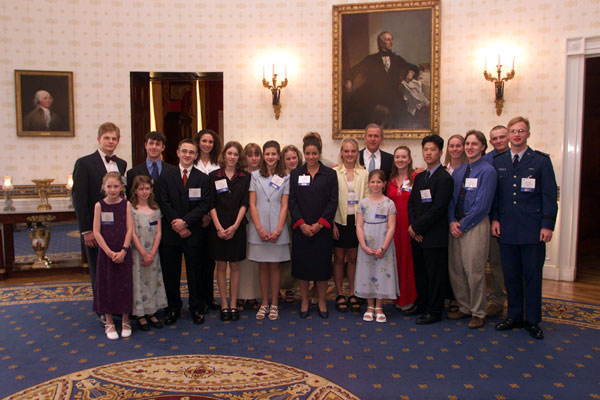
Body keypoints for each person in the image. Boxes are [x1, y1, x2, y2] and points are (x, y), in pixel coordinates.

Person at [491, 116, 558, 340]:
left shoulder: (540, 161)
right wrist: (495, 219)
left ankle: (532, 320)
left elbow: (549, 196)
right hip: (507, 229)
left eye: (521, 131)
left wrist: (547, 224)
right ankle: (514, 316)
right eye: (513, 131)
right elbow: (496, 196)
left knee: (532, 277)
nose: (516, 135)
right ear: (508, 135)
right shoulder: (499, 161)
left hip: (533, 230)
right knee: (511, 276)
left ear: (528, 134)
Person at [72, 122, 127, 316]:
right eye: (107, 138)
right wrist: (86, 230)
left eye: (114, 139)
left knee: (116, 267)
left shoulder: (121, 164)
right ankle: (103, 312)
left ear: (118, 141)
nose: (111, 142)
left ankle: (118, 307)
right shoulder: (84, 163)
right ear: (99, 139)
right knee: (99, 271)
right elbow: (79, 198)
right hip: (95, 227)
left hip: (117, 227)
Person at [447, 130, 497, 329]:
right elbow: (451, 201)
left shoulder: (487, 171)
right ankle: (464, 306)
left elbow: (483, 205)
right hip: (455, 225)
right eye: (467, 144)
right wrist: (451, 221)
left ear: (483, 147)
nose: (469, 147)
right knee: (456, 269)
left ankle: (478, 312)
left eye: (474, 144)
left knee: (474, 270)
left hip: (474, 225)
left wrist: (463, 225)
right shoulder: (459, 172)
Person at [159, 138, 210, 326]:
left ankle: (196, 308)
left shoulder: (202, 179)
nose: (188, 155)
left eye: (191, 152)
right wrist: (177, 224)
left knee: (195, 272)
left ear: (196, 155)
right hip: (171, 233)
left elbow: (204, 204)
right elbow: (163, 202)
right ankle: (173, 308)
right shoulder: (166, 176)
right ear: (178, 153)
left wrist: (186, 222)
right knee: (170, 273)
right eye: (184, 151)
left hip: (193, 232)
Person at [289, 132, 338, 319]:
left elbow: (333, 201)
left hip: (322, 229)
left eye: (314, 153)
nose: (311, 157)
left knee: (322, 267)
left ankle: (322, 301)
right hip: (302, 229)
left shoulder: (330, 174)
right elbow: (292, 201)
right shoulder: (295, 174)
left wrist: (319, 224)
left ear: (320, 153)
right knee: (303, 267)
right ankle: (304, 300)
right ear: (304, 154)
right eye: (308, 153)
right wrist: (301, 224)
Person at [406, 135, 454, 324]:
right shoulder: (420, 178)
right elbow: (412, 204)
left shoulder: (444, 178)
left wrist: (417, 227)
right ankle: (422, 304)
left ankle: (434, 310)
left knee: (435, 275)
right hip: (417, 235)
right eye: (425, 149)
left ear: (441, 153)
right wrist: (412, 227)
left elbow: (438, 209)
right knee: (421, 273)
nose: (428, 152)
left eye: (432, 149)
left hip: (434, 236)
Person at [208, 141, 251, 322]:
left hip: (237, 227)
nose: (232, 157)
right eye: (229, 153)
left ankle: (233, 303)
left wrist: (234, 226)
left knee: (235, 266)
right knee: (221, 266)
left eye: (235, 154)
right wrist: (218, 228)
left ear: (239, 157)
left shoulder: (245, 177)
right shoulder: (213, 176)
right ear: (224, 155)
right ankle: (224, 304)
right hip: (218, 227)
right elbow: (210, 204)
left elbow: (245, 204)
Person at [248, 141, 291, 320]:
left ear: (278, 156)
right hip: (259, 229)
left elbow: (284, 205)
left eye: (274, 154)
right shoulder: (255, 176)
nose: (271, 157)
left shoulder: (286, 177)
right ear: (263, 156)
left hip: (277, 230)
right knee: (262, 266)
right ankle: (264, 302)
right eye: (267, 154)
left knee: (275, 267)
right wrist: (259, 228)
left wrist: (278, 230)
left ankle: (274, 303)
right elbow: (252, 203)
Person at [343, 31, 419, 129]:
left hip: (392, 93)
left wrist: (411, 72)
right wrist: (348, 80)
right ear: (381, 43)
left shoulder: (397, 59)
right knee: (356, 107)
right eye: (388, 40)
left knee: (402, 110)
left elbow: (413, 67)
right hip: (372, 92)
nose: (391, 42)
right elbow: (354, 70)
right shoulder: (371, 59)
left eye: (392, 39)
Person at [92, 172, 133, 340]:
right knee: (106, 284)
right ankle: (108, 320)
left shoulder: (126, 204)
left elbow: (130, 229)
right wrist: (108, 252)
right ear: (103, 187)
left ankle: (125, 319)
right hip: (106, 252)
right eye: (109, 186)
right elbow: (96, 231)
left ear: (122, 187)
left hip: (123, 250)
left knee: (124, 284)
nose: (112, 190)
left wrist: (123, 250)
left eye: (116, 186)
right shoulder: (99, 205)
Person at [355, 169, 399, 323]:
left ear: (384, 184)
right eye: (372, 182)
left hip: (383, 241)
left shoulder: (389, 203)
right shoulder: (363, 203)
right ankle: (369, 306)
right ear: (368, 183)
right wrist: (363, 245)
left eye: (379, 182)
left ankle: (379, 306)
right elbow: (359, 225)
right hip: (366, 242)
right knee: (368, 272)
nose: (375, 185)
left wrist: (383, 247)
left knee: (381, 272)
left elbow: (392, 227)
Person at [332, 138, 369, 313]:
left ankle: (353, 293)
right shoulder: (334, 173)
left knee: (353, 259)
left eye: (353, 151)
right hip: (339, 220)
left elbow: (368, 198)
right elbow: (330, 199)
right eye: (346, 151)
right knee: (339, 259)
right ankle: (339, 293)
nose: (349, 154)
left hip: (357, 221)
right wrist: (331, 223)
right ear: (341, 153)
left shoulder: (364, 173)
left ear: (357, 153)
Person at [129, 175, 167, 331]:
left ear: (151, 190)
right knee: (139, 281)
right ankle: (140, 314)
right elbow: (131, 233)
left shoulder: (155, 208)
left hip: (153, 252)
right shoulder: (131, 209)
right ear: (135, 190)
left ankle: (152, 311)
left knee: (152, 280)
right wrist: (144, 254)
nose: (144, 192)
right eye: (141, 189)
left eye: (147, 189)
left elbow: (158, 232)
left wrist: (151, 253)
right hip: (138, 253)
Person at [193, 129, 222, 312]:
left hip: (213, 220)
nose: (207, 144)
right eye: (204, 141)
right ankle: (197, 299)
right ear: (198, 142)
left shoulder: (218, 165)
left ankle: (209, 297)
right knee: (196, 262)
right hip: (195, 220)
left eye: (210, 142)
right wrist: (200, 215)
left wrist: (210, 217)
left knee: (210, 262)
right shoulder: (191, 163)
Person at [386, 146, 418, 311]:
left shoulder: (416, 178)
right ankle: (397, 297)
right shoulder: (390, 180)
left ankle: (410, 298)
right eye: (397, 157)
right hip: (393, 228)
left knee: (409, 262)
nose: (400, 160)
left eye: (404, 157)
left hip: (410, 228)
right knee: (395, 261)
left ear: (409, 159)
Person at [482, 125, 509, 317]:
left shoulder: (525, 158)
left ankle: (519, 303)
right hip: (493, 220)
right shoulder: (486, 161)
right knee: (496, 264)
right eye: (495, 138)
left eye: (502, 137)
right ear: (490, 142)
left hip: (517, 221)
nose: (498, 141)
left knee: (519, 266)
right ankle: (498, 301)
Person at [236, 143, 262, 311]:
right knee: (242, 258)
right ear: (244, 157)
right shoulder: (239, 175)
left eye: (256, 154)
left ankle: (253, 295)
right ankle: (239, 295)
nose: (253, 158)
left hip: (260, 220)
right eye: (250, 155)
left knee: (256, 259)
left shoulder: (265, 175)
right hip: (242, 219)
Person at [280, 145, 303, 303]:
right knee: (284, 251)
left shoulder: (304, 174)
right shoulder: (278, 176)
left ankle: (292, 288)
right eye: (288, 158)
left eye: (294, 157)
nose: (291, 161)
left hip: (301, 216)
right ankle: (282, 286)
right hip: (283, 216)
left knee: (297, 250)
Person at [126, 131, 174, 201]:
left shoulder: (173, 171)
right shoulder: (133, 173)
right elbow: (131, 198)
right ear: (146, 145)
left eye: (157, 144)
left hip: (166, 211)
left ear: (163, 147)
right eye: (151, 143)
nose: (154, 147)